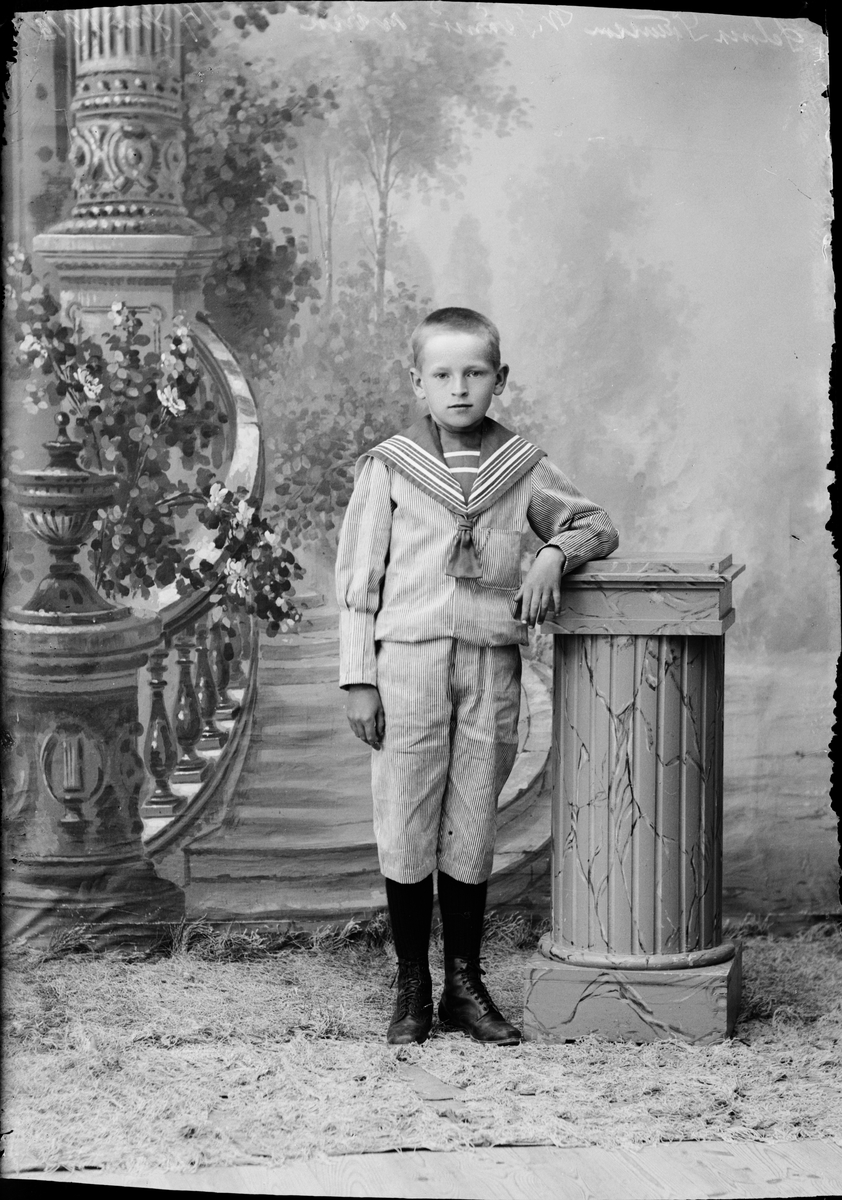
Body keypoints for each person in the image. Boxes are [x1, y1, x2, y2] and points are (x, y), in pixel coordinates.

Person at [335, 307, 619, 1046]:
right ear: (418, 383)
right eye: (442, 374)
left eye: (474, 372)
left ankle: (464, 984)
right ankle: (412, 985)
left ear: (500, 378)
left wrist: (553, 555)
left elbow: (596, 524)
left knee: (471, 821)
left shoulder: (521, 466)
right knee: (406, 817)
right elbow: (359, 581)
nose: (459, 388)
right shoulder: (390, 465)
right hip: (407, 661)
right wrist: (358, 677)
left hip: (491, 663)